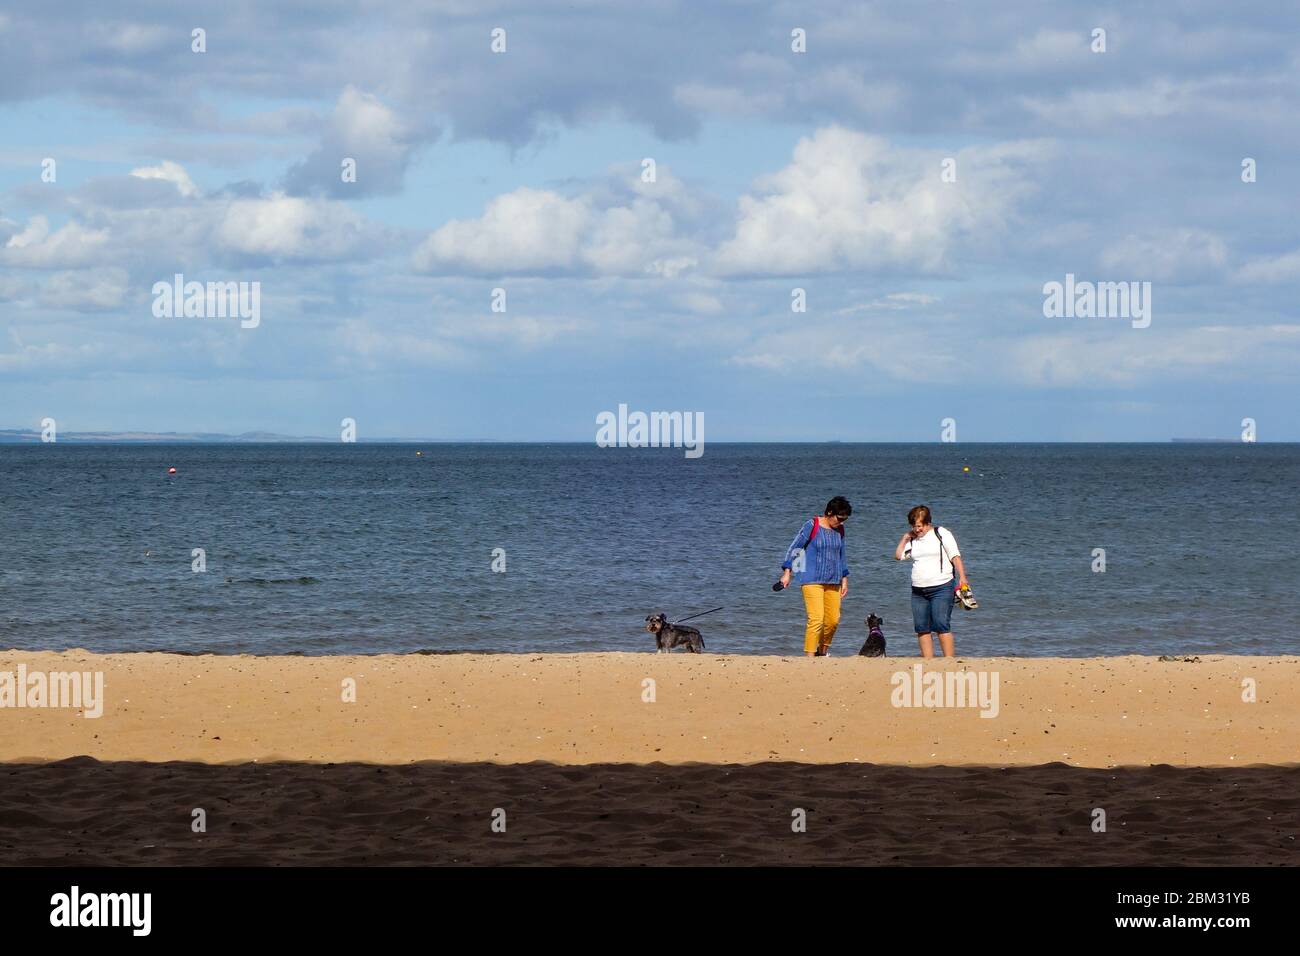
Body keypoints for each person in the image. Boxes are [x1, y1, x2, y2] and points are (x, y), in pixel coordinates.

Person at [778, 496, 851, 657]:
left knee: (833, 620)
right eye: (839, 518)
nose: (841, 522)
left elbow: (841, 554)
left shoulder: (840, 529)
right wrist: (787, 572)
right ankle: (810, 658)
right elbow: (795, 548)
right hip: (811, 579)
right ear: (829, 512)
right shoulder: (812, 525)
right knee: (816, 619)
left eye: (845, 519)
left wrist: (844, 578)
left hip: (834, 580)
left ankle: (822, 652)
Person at [894, 505, 968, 658]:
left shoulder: (941, 533)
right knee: (922, 628)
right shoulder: (914, 540)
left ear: (928, 522)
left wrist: (962, 578)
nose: (916, 529)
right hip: (918, 591)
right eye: (914, 526)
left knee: (941, 625)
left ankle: (949, 661)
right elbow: (899, 556)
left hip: (942, 587)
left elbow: (955, 556)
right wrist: (904, 538)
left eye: (919, 526)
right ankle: (928, 662)